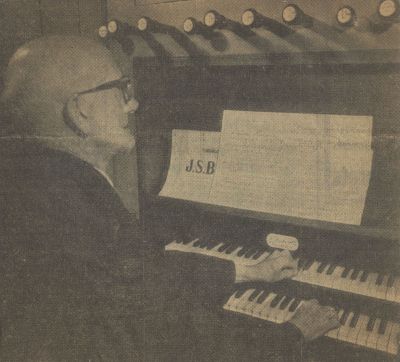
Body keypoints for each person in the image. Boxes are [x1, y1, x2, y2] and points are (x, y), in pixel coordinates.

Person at [0, 35, 339, 361]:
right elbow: (174, 335)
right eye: (120, 89)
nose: (132, 104)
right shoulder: (77, 210)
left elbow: (139, 276)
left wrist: (247, 271)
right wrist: (290, 334)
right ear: (80, 110)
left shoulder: (40, 182)